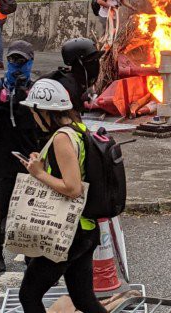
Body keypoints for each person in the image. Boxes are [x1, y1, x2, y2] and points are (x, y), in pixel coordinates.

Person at [17, 78, 107, 313]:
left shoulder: (61, 138)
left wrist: (38, 173)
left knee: (28, 295)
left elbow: (72, 187)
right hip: (85, 229)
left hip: (67, 234)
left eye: (33, 112)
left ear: (43, 111)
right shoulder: (79, 128)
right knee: (84, 301)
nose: (33, 118)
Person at [0, 40, 38, 293]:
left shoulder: (38, 91)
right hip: (0, 165)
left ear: (31, 62)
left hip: (31, 166)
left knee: (33, 218)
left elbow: (46, 132)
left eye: (22, 61)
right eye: (13, 60)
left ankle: (35, 267)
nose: (17, 66)